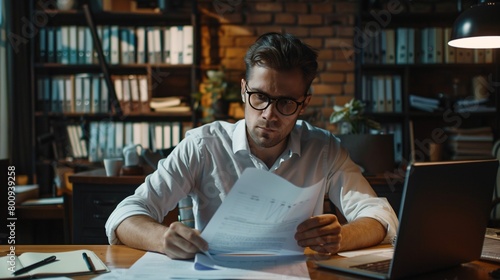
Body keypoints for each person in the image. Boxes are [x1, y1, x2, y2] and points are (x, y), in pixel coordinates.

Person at [105, 32, 398, 259]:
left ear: (304, 104)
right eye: (260, 97)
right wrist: (161, 239)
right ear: (244, 90)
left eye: (285, 103)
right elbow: (125, 215)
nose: (269, 115)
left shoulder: (324, 149)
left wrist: (342, 237)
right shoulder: (203, 146)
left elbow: (380, 216)